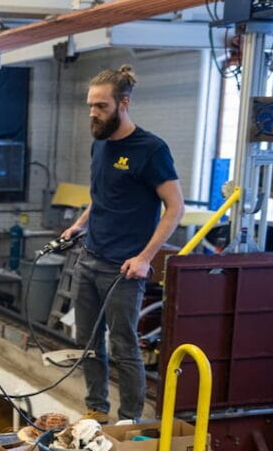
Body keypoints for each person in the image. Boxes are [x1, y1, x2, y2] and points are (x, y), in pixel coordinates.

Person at [61, 65, 184, 424]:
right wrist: (79, 225)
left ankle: (129, 418)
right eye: (90, 106)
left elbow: (175, 207)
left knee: (124, 346)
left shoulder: (151, 149)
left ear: (124, 103)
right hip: (90, 258)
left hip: (124, 269)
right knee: (87, 343)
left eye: (101, 106)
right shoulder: (99, 144)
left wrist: (146, 258)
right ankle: (96, 408)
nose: (92, 114)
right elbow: (101, 195)